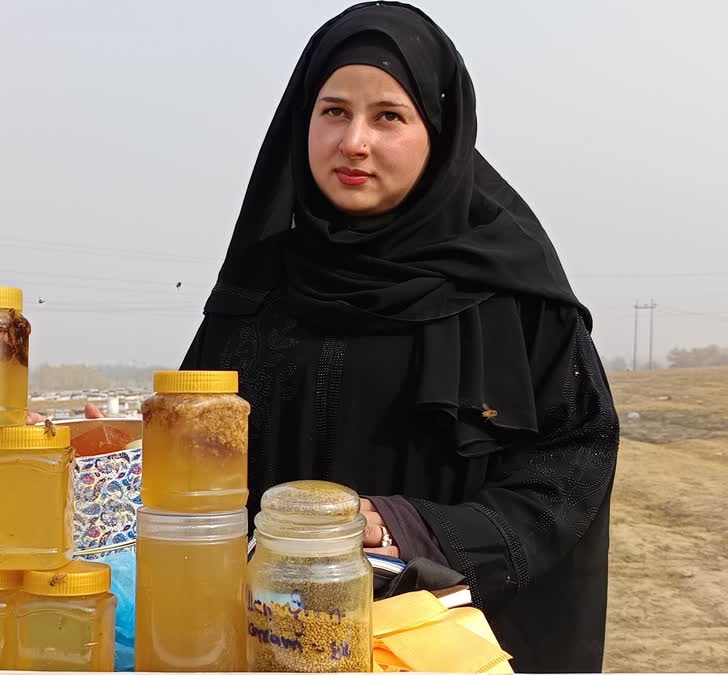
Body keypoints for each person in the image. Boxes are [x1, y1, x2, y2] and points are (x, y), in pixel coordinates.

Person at [174, 2, 618, 672]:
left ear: (438, 131)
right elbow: (199, 463)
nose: (354, 141)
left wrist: (413, 528)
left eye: (388, 115)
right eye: (333, 111)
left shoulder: (514, 296)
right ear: (302, 123)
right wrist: (132, 449)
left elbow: (574, 464)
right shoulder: (257, 292)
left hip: (449, 648)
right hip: (269, 650)